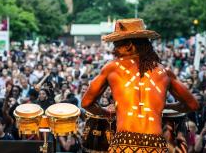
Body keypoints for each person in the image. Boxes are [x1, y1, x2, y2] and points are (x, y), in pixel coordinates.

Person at [81, 19, 199, 152]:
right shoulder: (164, 72)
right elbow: (193, 105)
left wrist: (108, 113)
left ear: (129, 45)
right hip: (156, 145)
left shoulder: (112, 68)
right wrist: (164, 106)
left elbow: (86, 103)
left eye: (117, 44)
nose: (114, 49)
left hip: (123, 144)